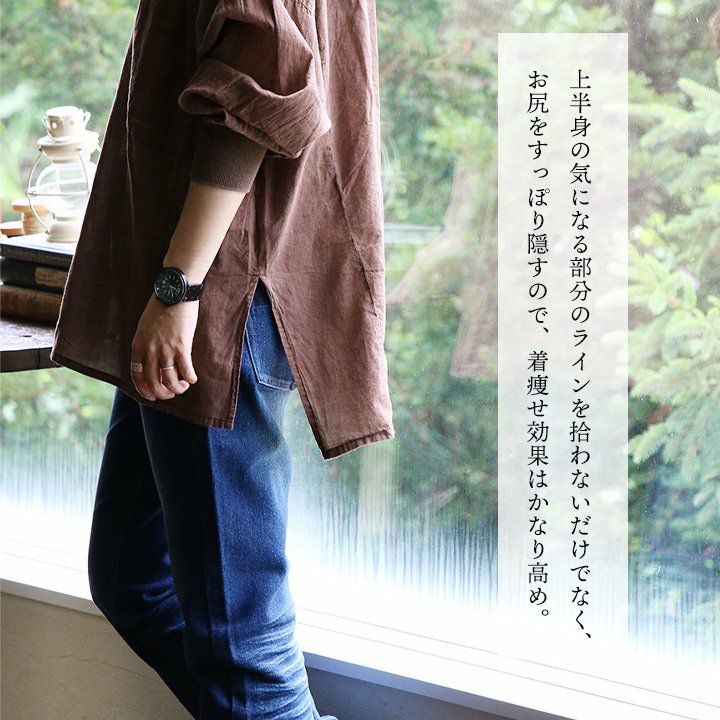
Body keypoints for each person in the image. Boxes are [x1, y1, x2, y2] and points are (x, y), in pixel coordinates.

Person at [50, 1, 395, 717]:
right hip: (200, 290)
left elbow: (265, 76)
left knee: (243, 649)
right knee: (131, 577)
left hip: (220, 296)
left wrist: (178, 287)